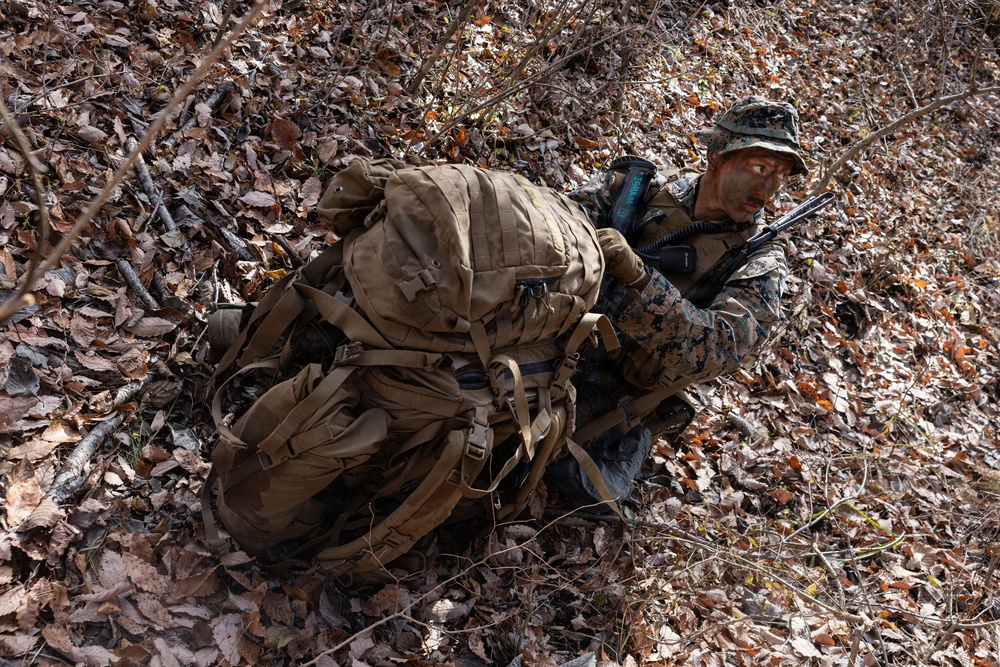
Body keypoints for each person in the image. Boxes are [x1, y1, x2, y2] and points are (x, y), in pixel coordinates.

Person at [548, 95, 809, 506]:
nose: (768, 187)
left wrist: (638, 278)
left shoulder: (760, 261)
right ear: (716, 158)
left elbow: (718, 349)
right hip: (555, 333)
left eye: (780, 175)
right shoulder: (647, 190)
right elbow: (556, 219)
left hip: (616, 390)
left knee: (559, 474)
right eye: (760, 167)